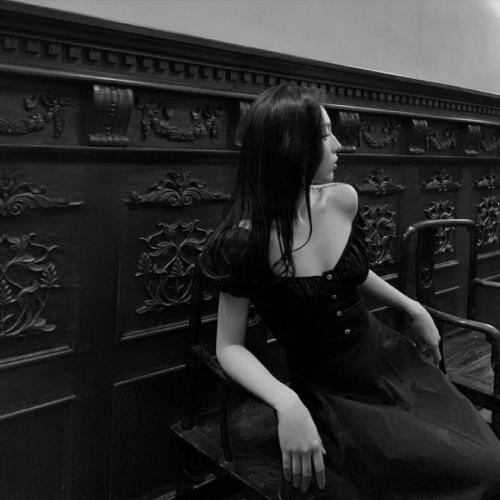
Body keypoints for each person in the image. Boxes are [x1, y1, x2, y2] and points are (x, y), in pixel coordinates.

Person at [200, 83, 500, 499]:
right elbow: (229, 346)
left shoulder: (342, 200)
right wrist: (286, 402)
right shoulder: (243, 242)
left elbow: (352, 273)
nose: (339, 144)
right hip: (331, 388)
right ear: (291, 147)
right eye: (325, 134)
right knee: (453, 474)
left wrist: (412, 306)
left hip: (386, 357)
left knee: (486, 458)